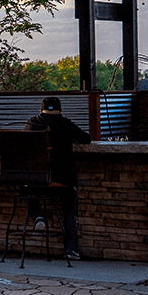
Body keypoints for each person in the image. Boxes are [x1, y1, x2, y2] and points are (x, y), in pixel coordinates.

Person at [25, 96, 92, 259]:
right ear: (60, 111)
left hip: (37, 182)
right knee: (69, 207)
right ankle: (71, 249)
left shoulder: (32, 124)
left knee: (26, 185)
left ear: (41, 110)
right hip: (62, 181)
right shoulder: (66, 124)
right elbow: (86, 139)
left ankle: (37, 215)